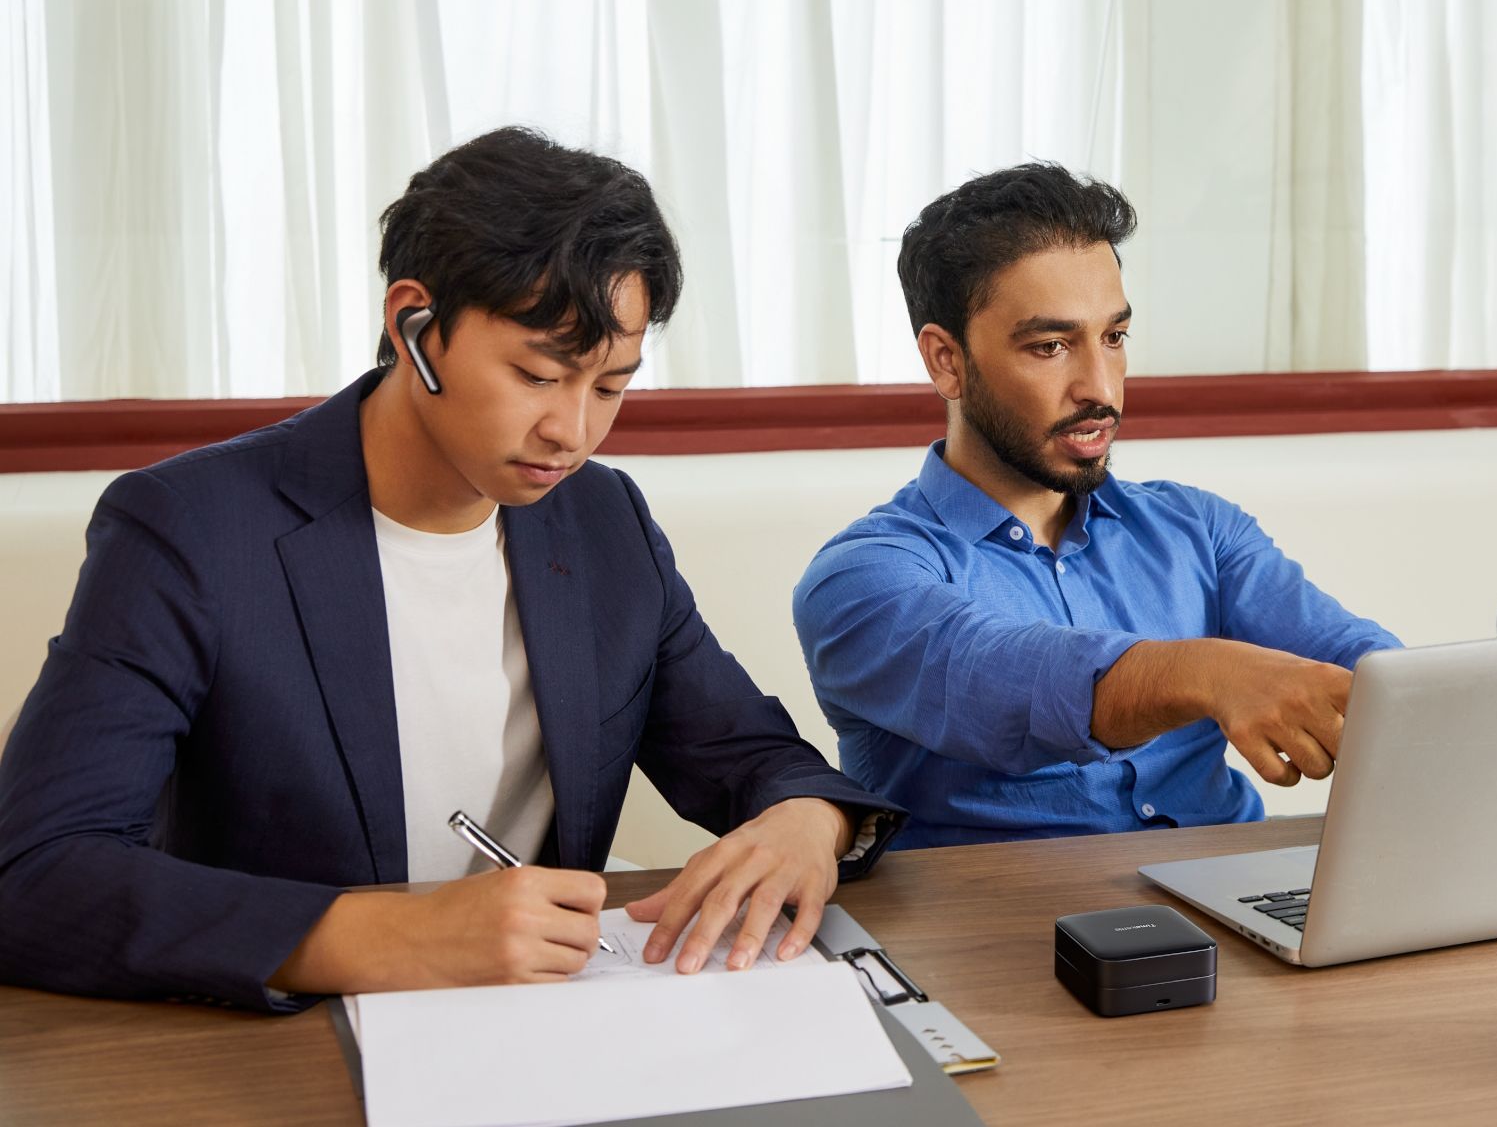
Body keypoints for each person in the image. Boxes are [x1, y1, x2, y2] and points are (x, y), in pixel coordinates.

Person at [0, 128, 900, 1009]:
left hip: (538, 1029)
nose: (574, 432)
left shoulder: (602, 520)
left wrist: (807, 821)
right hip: (277, 1054)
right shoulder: (190, 529)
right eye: (539, 375)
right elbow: (36, 871)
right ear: (415, 327)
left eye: (611, 386)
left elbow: (746, 753)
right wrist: (388, 936)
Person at [793, 163, 1401, 848]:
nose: (1100, 388)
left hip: (1229, 895)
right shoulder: (860, 581)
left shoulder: (1198, 528)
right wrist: (1210, 673)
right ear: (946, 360)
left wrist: (1420, 704)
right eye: (1050, 346)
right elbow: (1013, 682)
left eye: (1114, 338)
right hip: (1000, 932)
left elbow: (1361, 664)